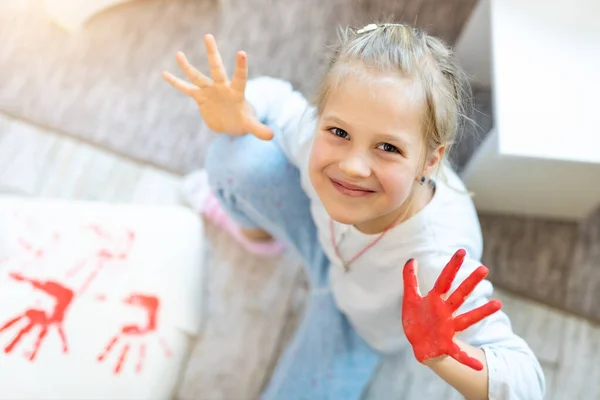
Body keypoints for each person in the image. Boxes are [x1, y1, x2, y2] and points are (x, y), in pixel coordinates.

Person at [162, 22, 545, 400]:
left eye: (388, 148)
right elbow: (277, 99)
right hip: (320, 244)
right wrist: (243, 107)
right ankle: (259, 238)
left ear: (430, 162)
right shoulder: (314, 135)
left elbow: (528, 385)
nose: (352, 166)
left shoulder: (440, 255)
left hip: (359, 327)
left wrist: (442, 355)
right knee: (235, 155)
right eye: (339, 133)